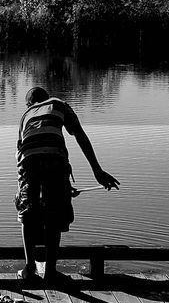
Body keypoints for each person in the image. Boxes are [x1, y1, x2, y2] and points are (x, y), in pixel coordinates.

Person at [15, 86, 119, 284]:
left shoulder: (25, 115)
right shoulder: (57, 103)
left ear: (29, 104)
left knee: (28, 214)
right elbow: (79, 134)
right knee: (54, 215)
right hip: (54, 161)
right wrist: (97, 171)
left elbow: (21, 155)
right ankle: (50, 272)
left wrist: (24, 192)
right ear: (46, 98)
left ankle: (29, 268)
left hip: (28, 163)